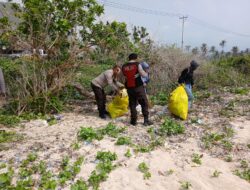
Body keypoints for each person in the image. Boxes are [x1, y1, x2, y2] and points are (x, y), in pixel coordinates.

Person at [122, 53, 153, 126]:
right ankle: (146, 121)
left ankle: (133, 121)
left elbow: (125, 76)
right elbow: (143, 75)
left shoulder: (124, 66)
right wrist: (147, 73)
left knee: (132, 103)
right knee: (144, 102)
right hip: (138, 87)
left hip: (129, 87)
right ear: (135, 58)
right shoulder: (137, 64)